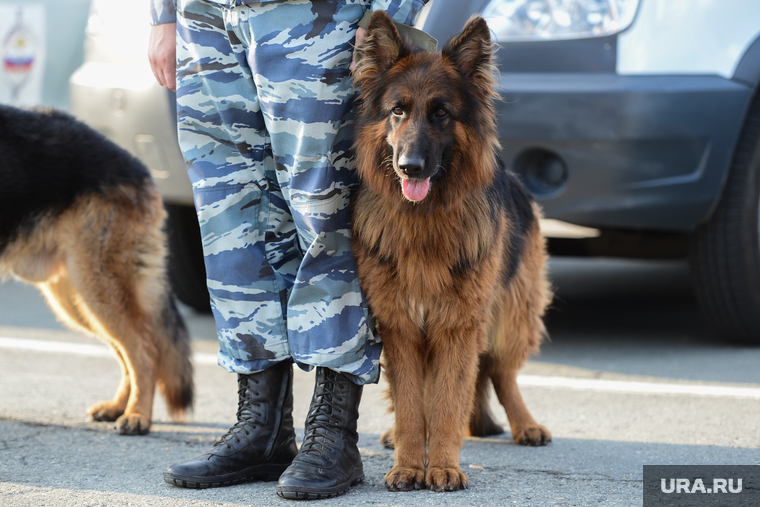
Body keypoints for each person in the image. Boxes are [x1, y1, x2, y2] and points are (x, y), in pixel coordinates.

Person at [147, 0, 425, 500]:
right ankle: (263, 431)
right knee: (231, 217)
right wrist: (164, 13)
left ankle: (334, 436)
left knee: (329, 217)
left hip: (320, 19)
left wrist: (390, 11)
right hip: (206, 18)